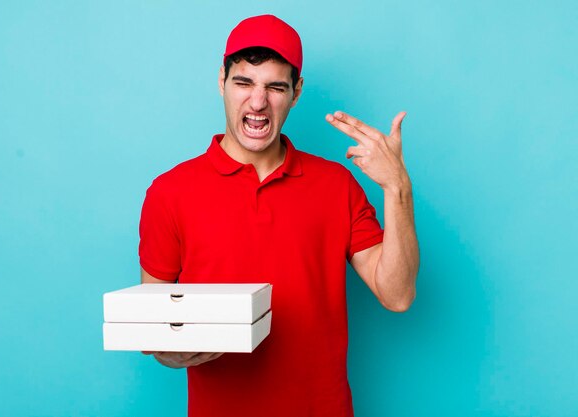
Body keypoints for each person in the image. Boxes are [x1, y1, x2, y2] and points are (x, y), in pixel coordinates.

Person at [139, 14, 419, 417]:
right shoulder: (169, 192)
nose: (258, 101)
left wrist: (398, 188)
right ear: (222, 81)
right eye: (244, 83)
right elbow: (155, 327)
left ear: (296, 92)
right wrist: (173, 353)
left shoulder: (336, 185)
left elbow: (398, 295)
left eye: (275, 86)